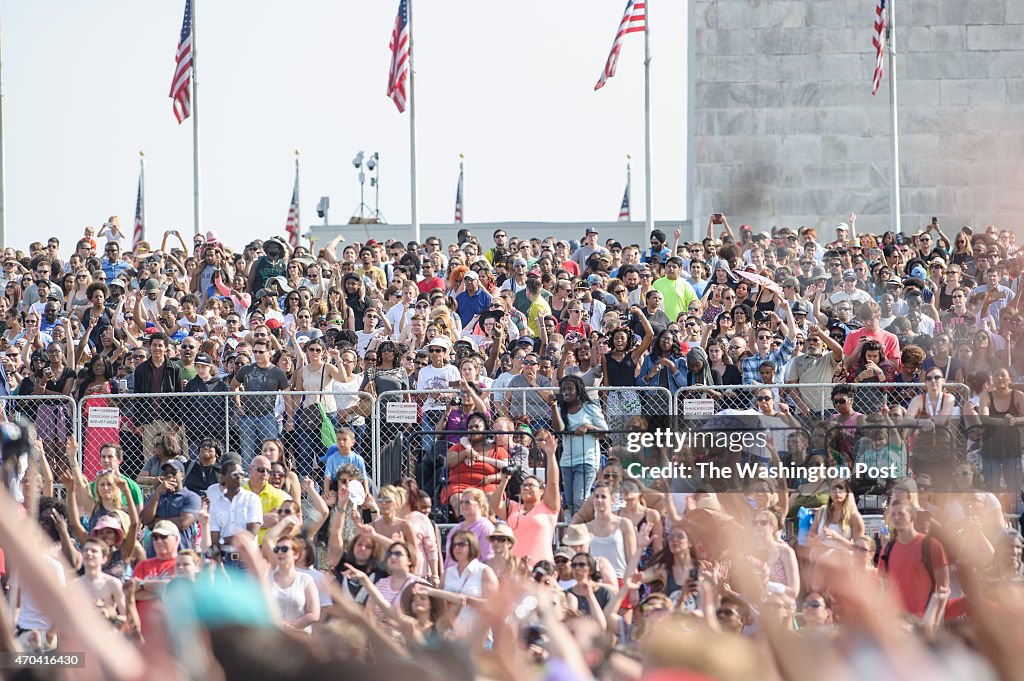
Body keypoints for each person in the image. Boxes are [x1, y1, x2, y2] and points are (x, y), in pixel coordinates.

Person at [490, 427, 561, 564]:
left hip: (541, 570)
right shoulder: (514, 507)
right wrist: (504, 480)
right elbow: (495, 504)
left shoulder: (548, 508)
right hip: (515, 570)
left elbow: (553, 483)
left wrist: (551, 456)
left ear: (541, 491)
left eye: (531, 485)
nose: (526, 487)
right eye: (524, 485)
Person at [880, 499, 950, 616]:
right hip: (895, 622)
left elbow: (944, 589)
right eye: (894, 514)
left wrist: (934, 622)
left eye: (901, 514)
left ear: (912, 517)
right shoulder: (887, 549)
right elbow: (882, 588)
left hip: (922, 621)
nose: (897, 518)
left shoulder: (932, 546)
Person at [552, 375, 608, 517]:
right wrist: (553, 407)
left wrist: (588, 427)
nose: (566, 392)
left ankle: (586, 532)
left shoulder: (590, 408)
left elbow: (605, 433)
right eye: (563, 389)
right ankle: (577, 531)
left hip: (586, 460)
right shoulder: (560, 410)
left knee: (580, 500)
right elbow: (558, 430)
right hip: (567, 461)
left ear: (579, 390)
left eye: (570, 389)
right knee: (570, 502)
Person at [232, 339, 290, 465]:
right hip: (247, 417)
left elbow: (287, 396)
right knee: (247, 456)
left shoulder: (278, 372)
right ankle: (248, 482)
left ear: (269, 353)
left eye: (260, 352)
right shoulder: (245, 369)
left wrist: (290, 419)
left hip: (268, 416)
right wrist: (238, 405)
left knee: (272, 455)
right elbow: (234, 385)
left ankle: (271, 481)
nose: (257, 354)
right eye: (255, 351)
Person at [442, 529, 499, 638]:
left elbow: (494, 606)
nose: (457, 548)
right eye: (454, 545)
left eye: (461, 544)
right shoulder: (447, 573)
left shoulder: (484, 571)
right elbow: (439, 605)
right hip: (451, 638)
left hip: (478, 638)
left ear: (472, 545)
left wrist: (465, 600)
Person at [139, 459, 202, 553]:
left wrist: (154, 523)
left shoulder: (191, 497)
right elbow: (145, 520)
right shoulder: (156, 496)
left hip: (181, 554)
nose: (169, 475)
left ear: (182, 475)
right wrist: (157, 494)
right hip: (156, 554)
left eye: (173, 472)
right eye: (166, 472)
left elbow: (182, 523)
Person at [132, 519, 181, 635]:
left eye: (163, 537)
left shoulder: (182, 563)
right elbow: (132, 593)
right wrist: (163, 590)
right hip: (143, 632)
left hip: (172, 631)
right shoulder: (143, 565)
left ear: (176, 539)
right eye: (155, 538)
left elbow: (178, 591)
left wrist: (143, 585)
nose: (158, 541)